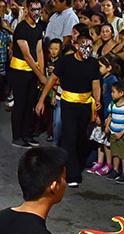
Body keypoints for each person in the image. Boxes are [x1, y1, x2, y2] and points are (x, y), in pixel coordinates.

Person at [37, 26, 101, 187]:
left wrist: (98, 100)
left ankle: (76, 164)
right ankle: (72, 175)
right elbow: (52, 80)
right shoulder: (66, 61)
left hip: (86, 105)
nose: (87, 50)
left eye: (90, 47)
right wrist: (41, 100)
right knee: (69, 137)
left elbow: (96, 85)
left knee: (81, 137)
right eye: (84, 47)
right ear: (77, 46)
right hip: (68, 104)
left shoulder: (93, 64)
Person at [9, 0, 47, 147]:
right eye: (33, 9)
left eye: (39, 9)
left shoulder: (38, 28)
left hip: (33, 72)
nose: (36, 12)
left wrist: (42, 74)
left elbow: (39, 51)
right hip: (20, 72)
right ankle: (17, 137)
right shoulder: (21, 28)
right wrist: (41, 75)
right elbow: (27, 55)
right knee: (20, 104)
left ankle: (27, 134)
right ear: (27, 10)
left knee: (30, 103)